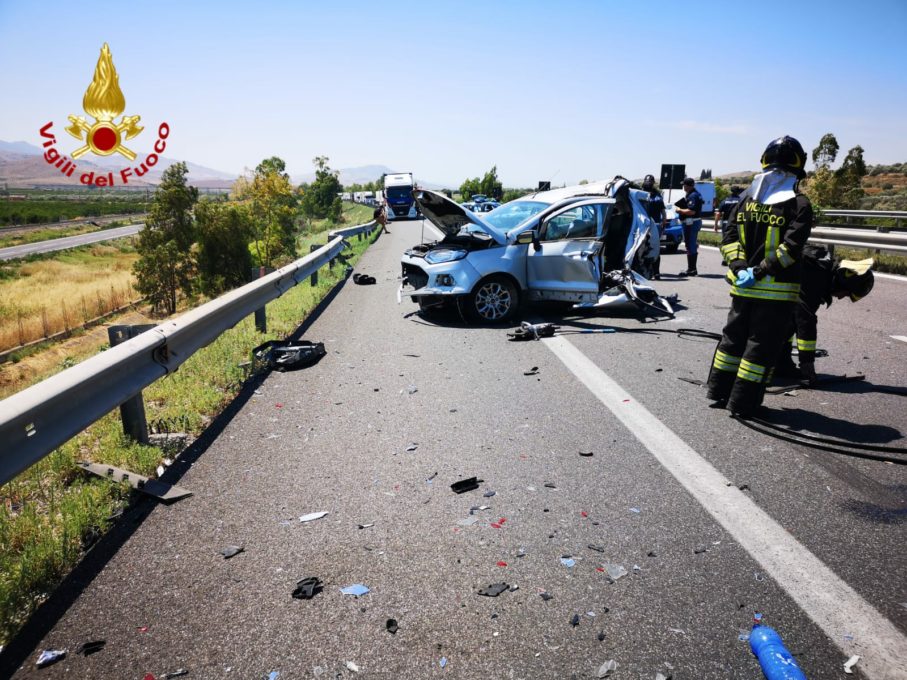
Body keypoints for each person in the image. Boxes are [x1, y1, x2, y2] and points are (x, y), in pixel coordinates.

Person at [705, 135, 813, 416]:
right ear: (798, 165)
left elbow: (728, 238)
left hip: (743, 289)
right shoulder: (799, 204)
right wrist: (759, 271)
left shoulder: (745, 199)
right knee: (760, 348)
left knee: (732, 340)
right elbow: (790, 249)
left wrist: (739, 268)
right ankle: (743, 402)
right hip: (776, 291)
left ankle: (718, 391)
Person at [775, 246, 874, 385]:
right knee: (789, 319)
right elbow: (805, 321)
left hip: (777, 293)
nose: (840, 298)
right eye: (845, 293)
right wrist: (807, 362)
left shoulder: (823, 269)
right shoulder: (817, 276)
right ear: (842, 282)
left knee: (789, 320)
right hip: (765, 292)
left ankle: (781, 364)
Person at [674, 177, 704, 276]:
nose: (683, 186)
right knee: (690, 245)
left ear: (688, 185)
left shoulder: (693, 196)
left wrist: (679, 210)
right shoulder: (692, 194)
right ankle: (691, 268)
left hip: (691, 223)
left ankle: (692, 269)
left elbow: (692, 211)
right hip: (691, 222)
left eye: (684, 185)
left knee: (690, 245)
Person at [641, 174, 666, 279]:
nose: (648, 184)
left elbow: (663, 211)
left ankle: (655, 272)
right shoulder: (643, 194)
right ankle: (651, 272)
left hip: (651, 225)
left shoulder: (654, 196)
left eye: (649, 182)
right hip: (647, 225)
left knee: (652, 249)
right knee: (648, 249)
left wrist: (663, 222)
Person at [715, 185, 744, 265]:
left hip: (726, 224)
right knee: (738, 241)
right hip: (737, 223)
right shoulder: (741, 201)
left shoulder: (725, 201)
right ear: (738, 192)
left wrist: (716, 225)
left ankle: (726, 259)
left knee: (727, 241)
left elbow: (718, 214)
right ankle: (738, 259)